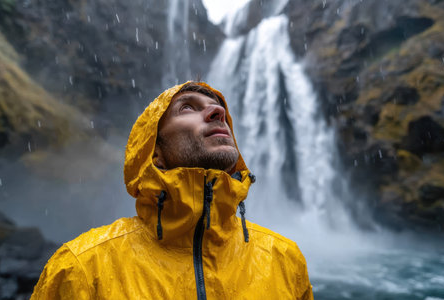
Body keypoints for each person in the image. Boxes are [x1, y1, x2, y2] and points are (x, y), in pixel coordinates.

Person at [31, 81, 313, 299]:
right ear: (155, 153)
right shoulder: (81, 267)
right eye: (187, 107)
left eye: (219, 109)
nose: (219, 112)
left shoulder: (285, 259)